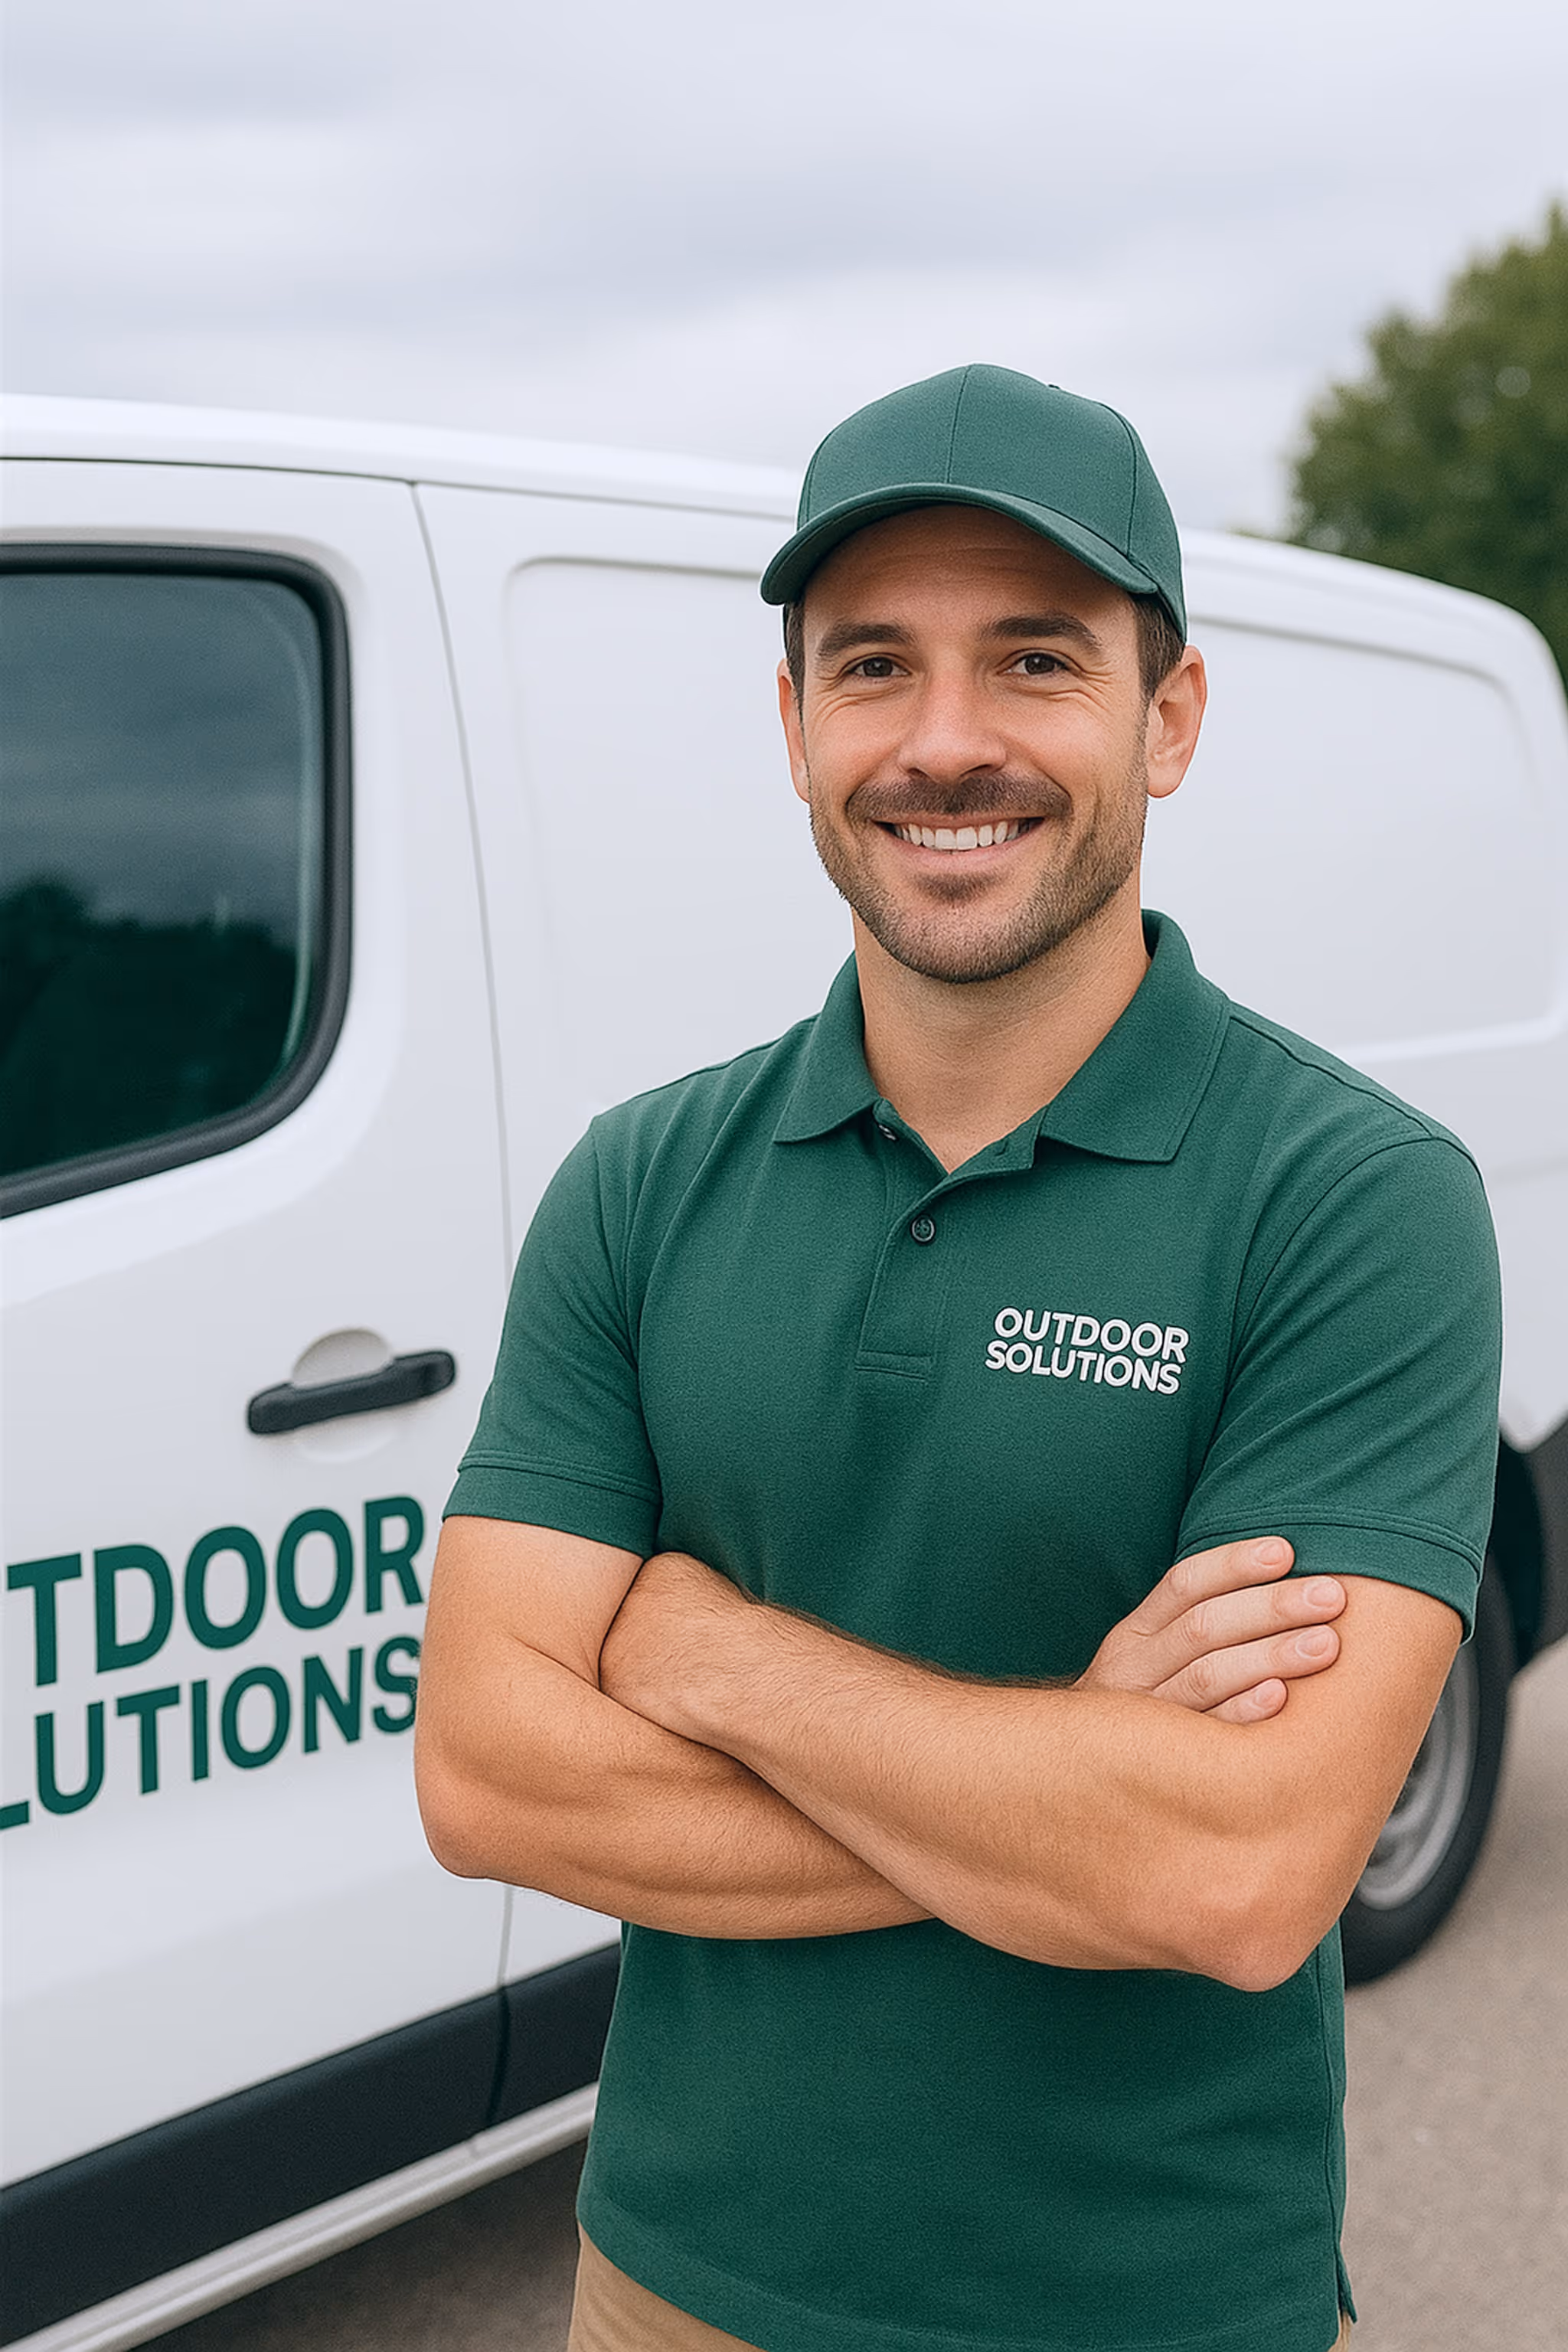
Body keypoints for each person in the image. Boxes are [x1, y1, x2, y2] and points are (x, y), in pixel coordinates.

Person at [415, 364, 1501, 2352]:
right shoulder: (641, 1184)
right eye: (872, 667)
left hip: (1146, 2309)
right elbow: (489, 1777)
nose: (943, 743)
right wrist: (1065, 1778)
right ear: (793, 725)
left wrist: (705, 1652)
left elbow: (1237, 1872)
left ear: (1170, 717)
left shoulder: (1355, 1201)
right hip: (665, 2287)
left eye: (1034, 659)